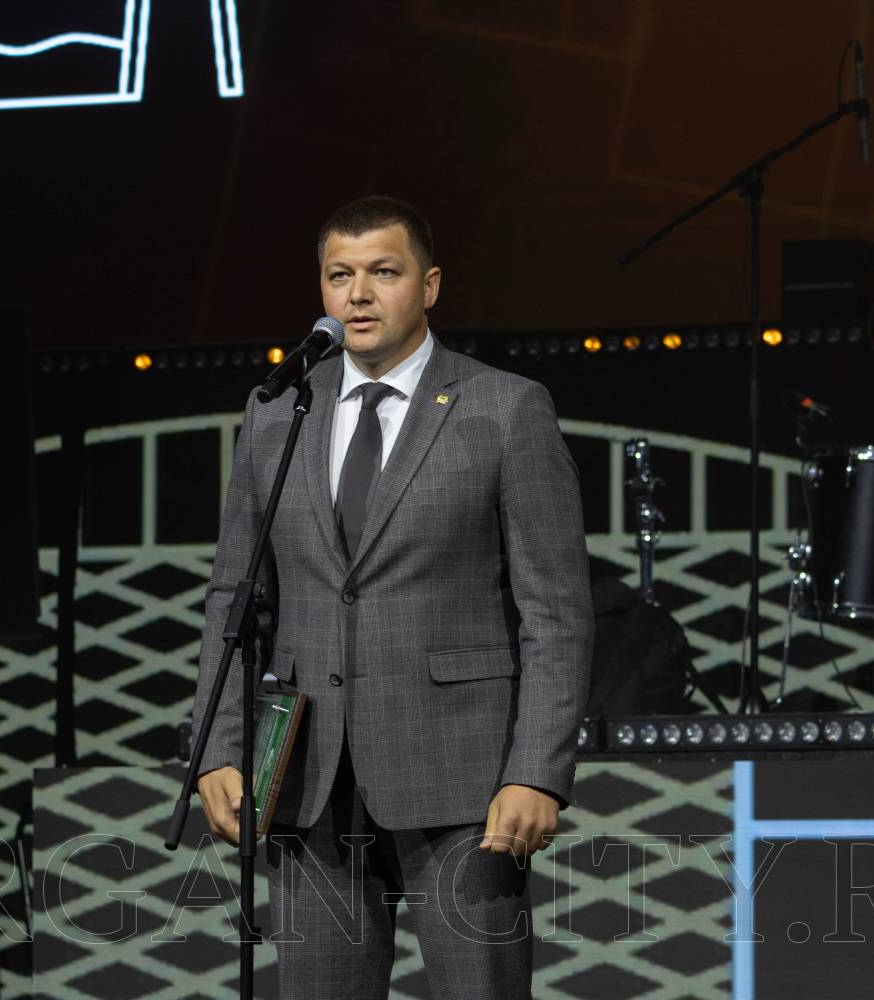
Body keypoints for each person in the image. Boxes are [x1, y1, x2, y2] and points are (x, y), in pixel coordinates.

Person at [190, 195, 592, 999]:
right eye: (340, 276)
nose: (359, 295)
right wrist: (219, 749)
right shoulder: (277, 412)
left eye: (383, 272)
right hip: (308, 779)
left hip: (466, 780)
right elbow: (237, 596)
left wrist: (538, 771)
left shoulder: (504, 408)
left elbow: (556, 612)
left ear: (429, 285)